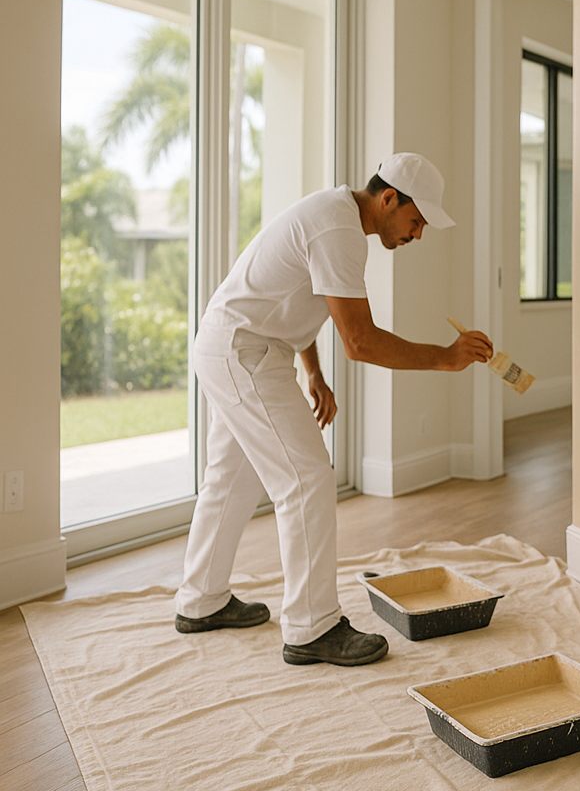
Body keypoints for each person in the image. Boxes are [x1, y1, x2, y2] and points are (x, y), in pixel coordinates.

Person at [173, 152, 492, 666]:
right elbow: (360, 342)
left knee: (231, 478)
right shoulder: (338, 230)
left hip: (239, 344)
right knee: (306, 479)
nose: (417, 235)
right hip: (243, 349)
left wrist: (313, 372)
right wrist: (445, 358)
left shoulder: (335, 220)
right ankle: (311, 626)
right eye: (416, 221)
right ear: (388, 199)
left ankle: (201, 600)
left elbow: (298, 301)